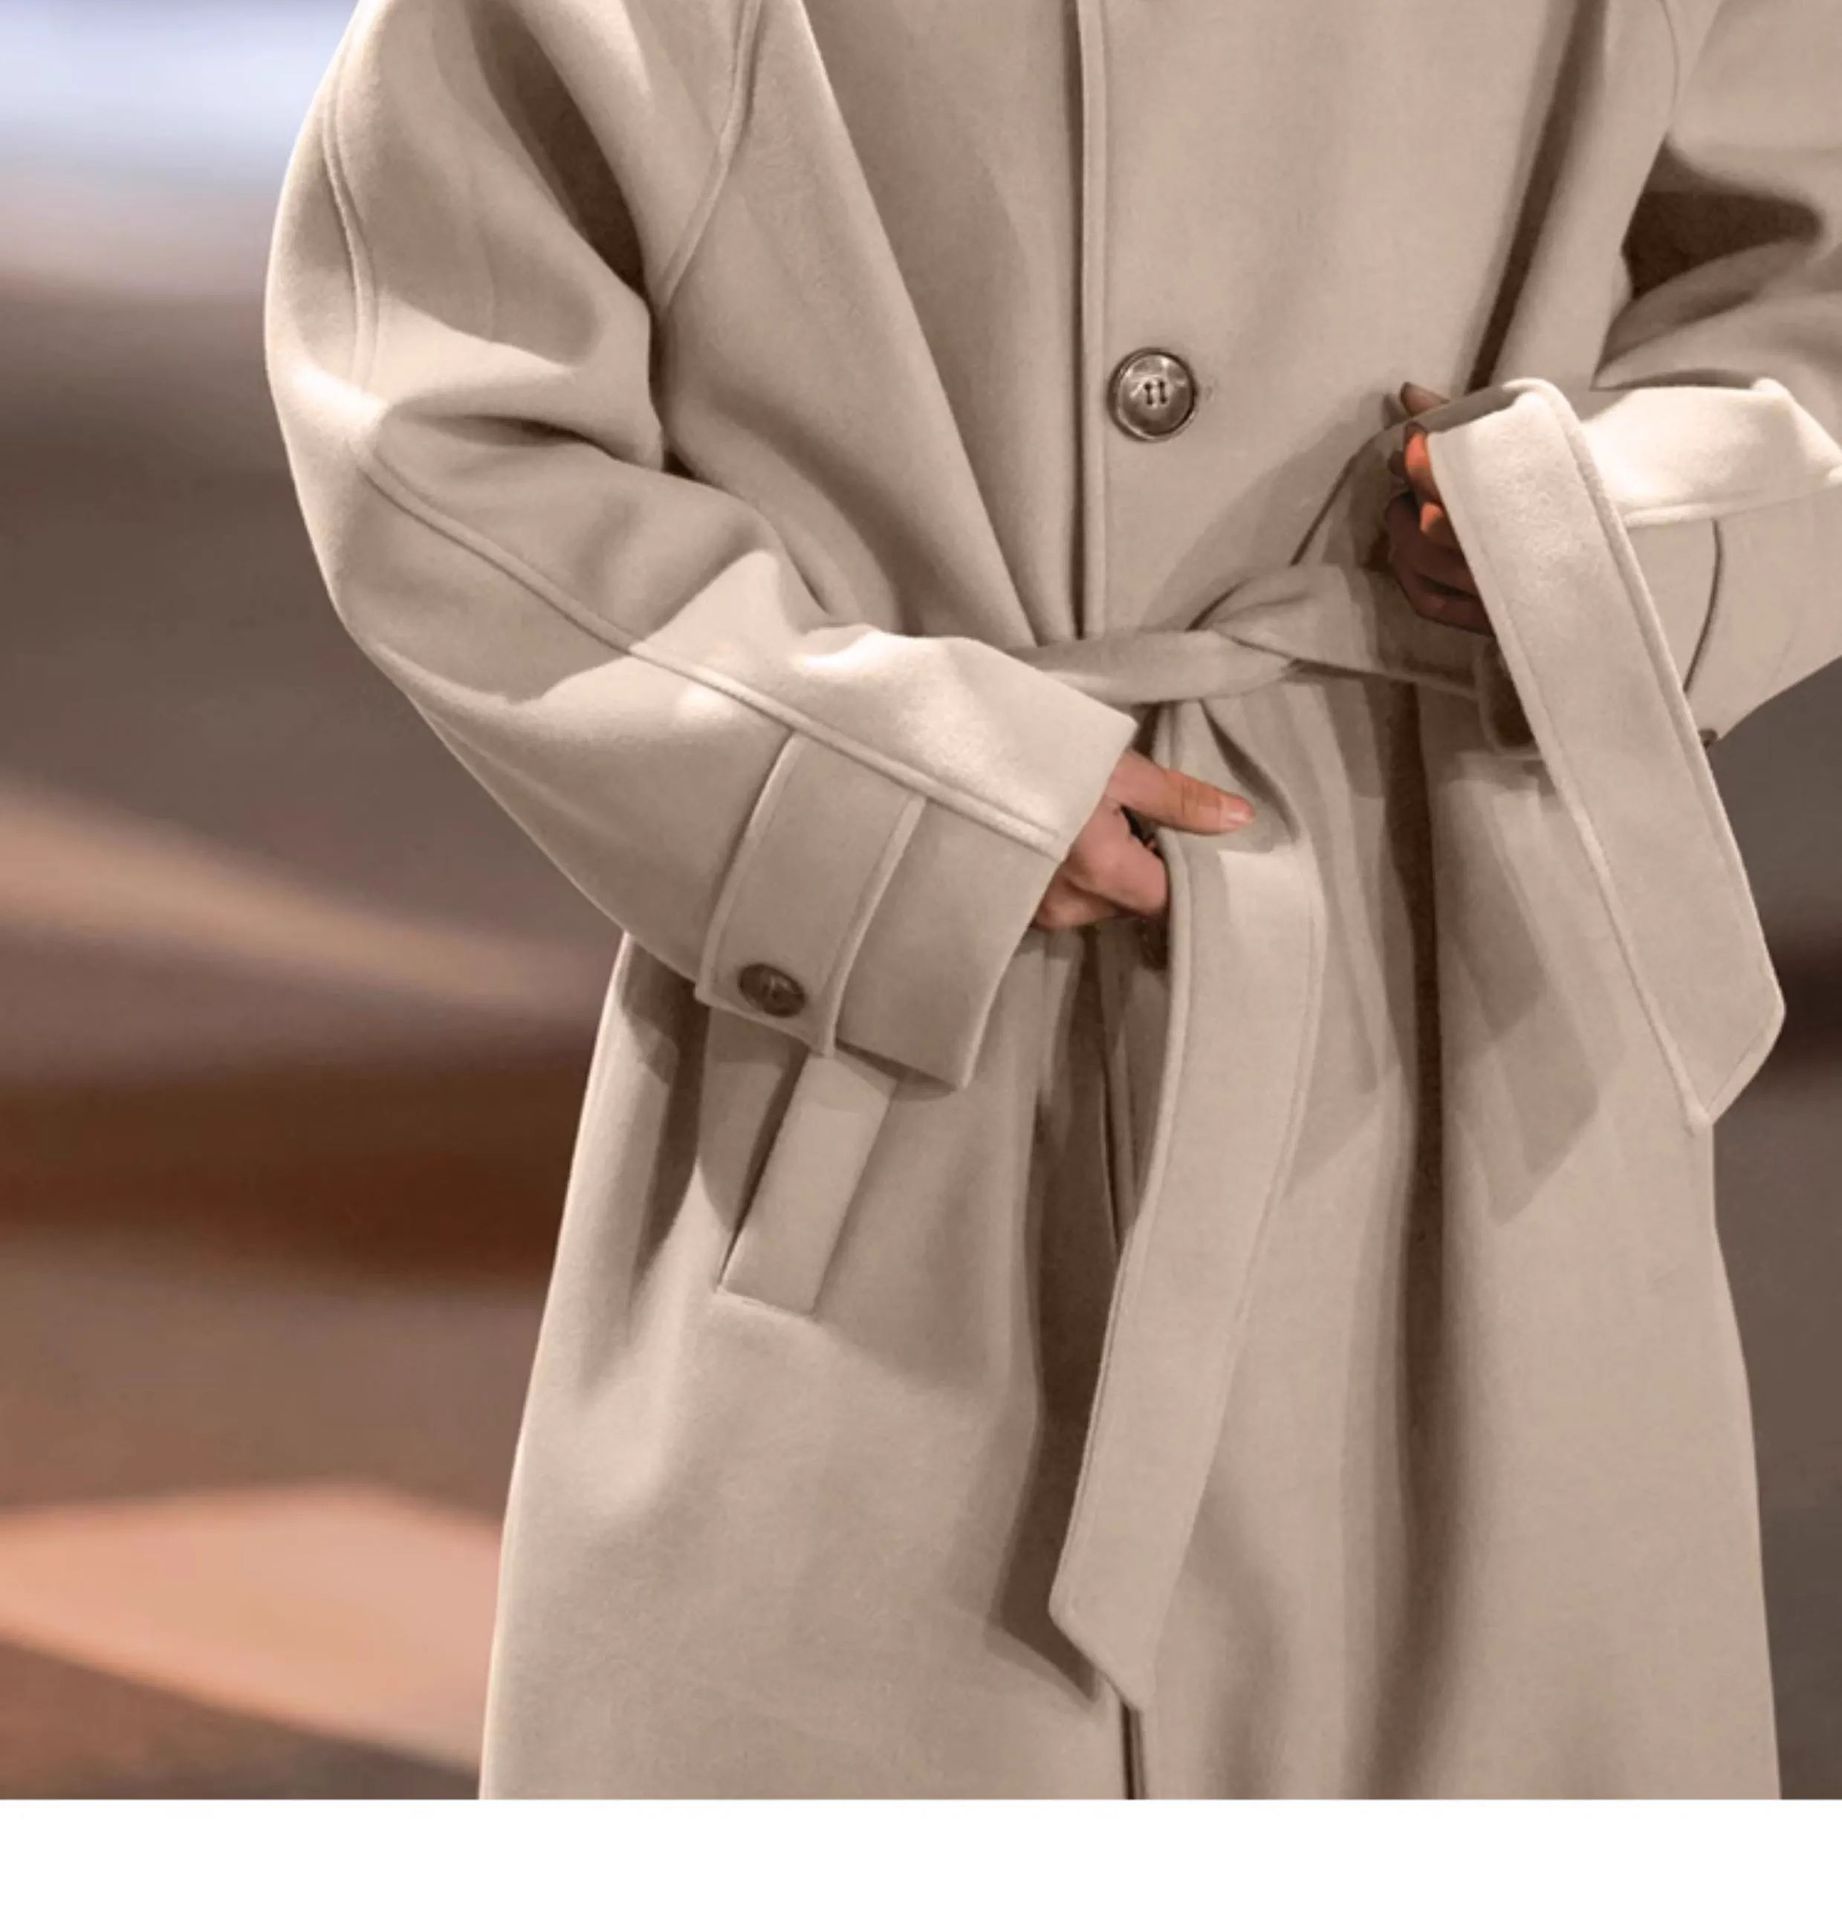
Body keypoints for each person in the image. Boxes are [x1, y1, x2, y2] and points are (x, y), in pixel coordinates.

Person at [265, 0, 1842, 1797]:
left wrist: (1601, 528)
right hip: (904, 1059)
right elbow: (432, 400)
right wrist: (854, 776)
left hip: (1465, 992)